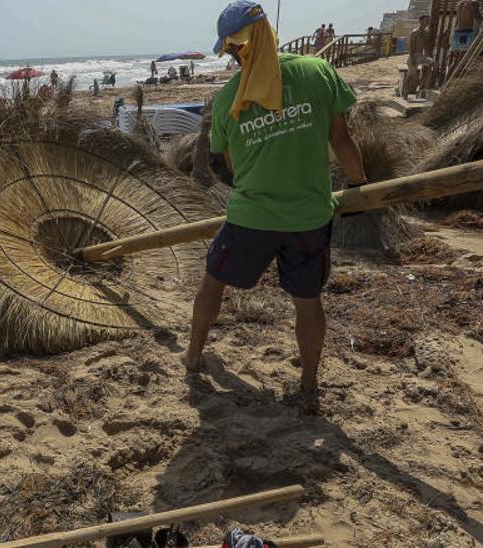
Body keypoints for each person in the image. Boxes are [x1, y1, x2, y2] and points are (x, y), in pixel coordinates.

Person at [185, 1, 368, 401]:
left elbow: (223, 164)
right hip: (309, 218)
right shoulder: (316, 72)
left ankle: (194, 357)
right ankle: (308, 385)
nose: (233, 57)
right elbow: (342, 140)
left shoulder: (228, 98)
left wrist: (254, 182)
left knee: (213, 282)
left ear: (233, 48)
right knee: (307, 301)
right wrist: (359, 187)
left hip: (250, 217)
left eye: (232, 49)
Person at [406, 15, 435, 98]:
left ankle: (422, 86)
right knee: (411, 76)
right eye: (426, 20)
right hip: (414, 55)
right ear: (420, 21)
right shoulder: (415, 32)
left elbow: (426, 47)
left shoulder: (426, 33)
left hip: (421, 56)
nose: (427, 22)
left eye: (428, 20)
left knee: (434, 64)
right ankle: (405, 93)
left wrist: (427, 57)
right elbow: (411, 47)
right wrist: (412, 59)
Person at [451, 0, 483, 66]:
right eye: (477, 7)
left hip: (457, 32)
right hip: (466, 32)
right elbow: (479, 18)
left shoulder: (461, 4)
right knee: (461, 59)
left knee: (455, 61)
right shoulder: (470, 6)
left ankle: (450, 75)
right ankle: (457, 75)